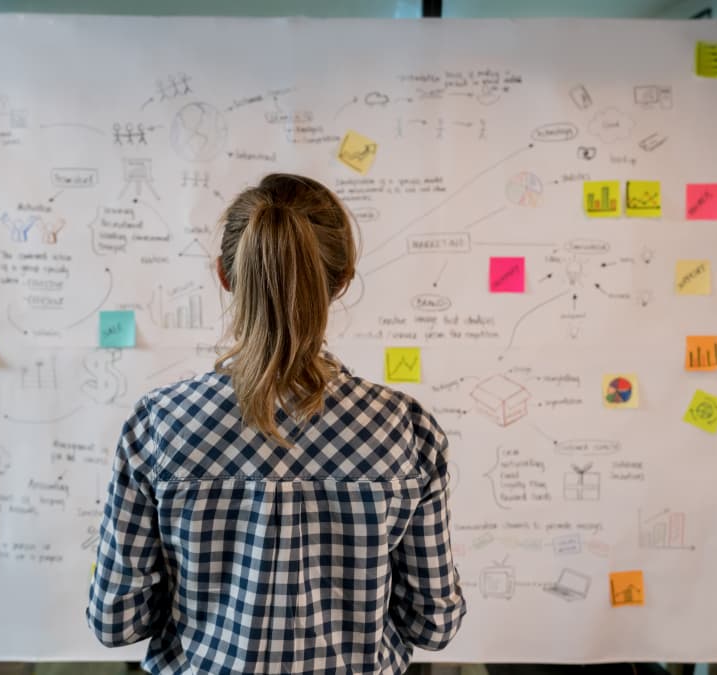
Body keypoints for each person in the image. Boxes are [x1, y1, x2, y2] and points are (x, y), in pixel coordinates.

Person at [87, 173, 465, 673]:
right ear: (343, 279)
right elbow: (433, 624)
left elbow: (117, 619)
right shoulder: (405, 428)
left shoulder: (158, 424)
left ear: (224, 274)